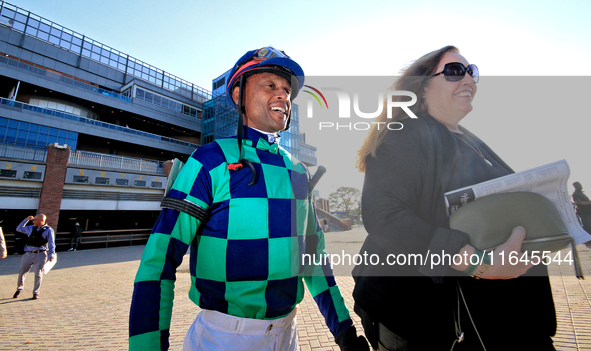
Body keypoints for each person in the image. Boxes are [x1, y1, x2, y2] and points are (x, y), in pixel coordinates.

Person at [129, 47, 367, 351]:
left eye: (287, 91)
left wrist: (344, 331)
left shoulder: (297, 170)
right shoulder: (209, 160)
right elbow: (158, 261)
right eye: (270, 85)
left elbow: (313, 260)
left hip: (288, 335)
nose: (283, 96)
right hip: (225, 338)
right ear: (239, 95)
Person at [353, 46, 556, 350]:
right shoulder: (404, 135)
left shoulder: (471, 141)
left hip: (504, 314)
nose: (468, 80)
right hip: (422, 319)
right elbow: (384, 216)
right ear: (422, 89)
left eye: (471, 71)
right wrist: (477, 263)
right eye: (454, 71)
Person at [13, 214, 56, 299]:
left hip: (40, 254)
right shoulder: (31, 228)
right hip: (28, 254)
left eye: (35, 219)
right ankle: (19, 288)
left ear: (41, 220)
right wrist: (26, 220)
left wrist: (52, 254)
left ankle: (36, 292)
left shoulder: (48, 230)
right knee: (22, 272)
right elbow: (18, 229)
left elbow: (51, 243)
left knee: (38, 274)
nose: (33, 221)